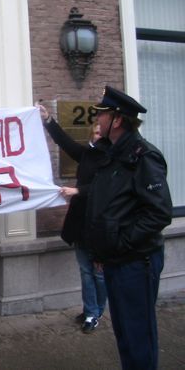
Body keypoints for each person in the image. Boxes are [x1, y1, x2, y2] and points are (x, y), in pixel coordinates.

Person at [85, 86, 172, 370]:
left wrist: (120, 243)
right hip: (115, 259)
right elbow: (107, 208)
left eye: (102, 114)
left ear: (118, 119)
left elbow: (158, 213)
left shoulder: (144, 157)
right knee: (124, 333)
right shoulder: (111, 155)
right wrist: (103, 252)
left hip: (136, 262)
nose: (97, 119)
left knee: (138, 334)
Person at [38, 104, 107, 334]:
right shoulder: (87, 154)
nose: (98, 136)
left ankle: (96, 312)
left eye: (101, 133)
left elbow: (105, 189)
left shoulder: (111, 159)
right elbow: (65, 142)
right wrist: (48, 120)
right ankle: (90, 310)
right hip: (80, 224)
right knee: (85, 271)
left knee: (98, 274)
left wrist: (78, 191)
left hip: (99, 226)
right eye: (95, 132)